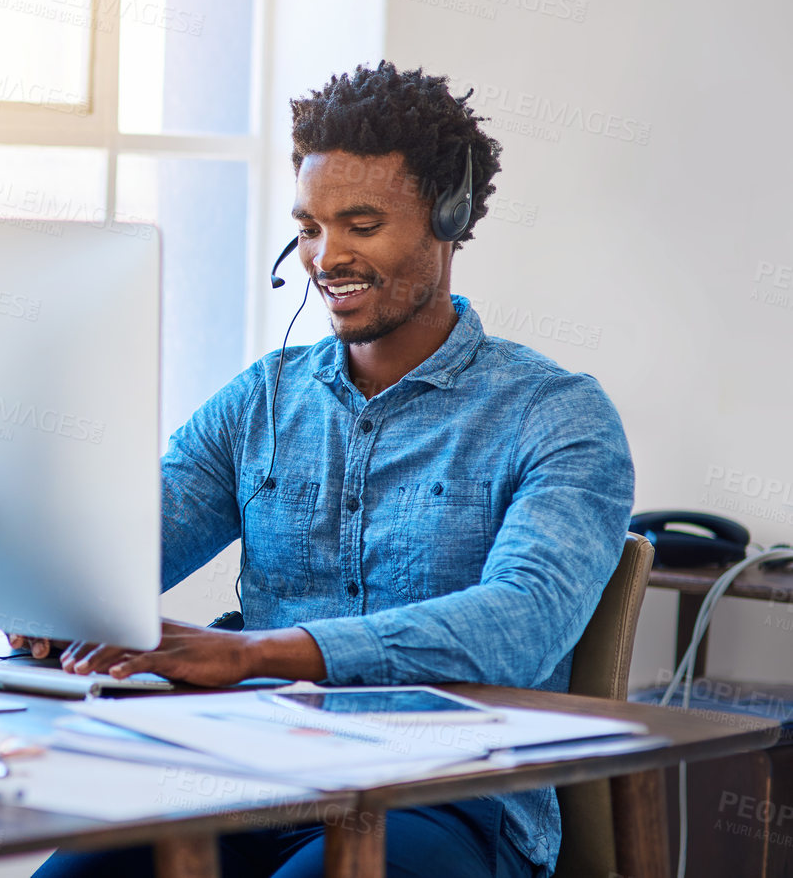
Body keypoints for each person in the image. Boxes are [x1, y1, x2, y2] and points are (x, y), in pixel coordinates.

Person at [34, 63, 634, 878]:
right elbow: (130, 546)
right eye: (309, 226)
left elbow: (516, 623)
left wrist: (259, 653)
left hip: (445, 794)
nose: (326, 256)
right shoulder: (262, 401)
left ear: (447, 218)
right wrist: (48, 594)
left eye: (360, 223)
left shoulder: (555, 415)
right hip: (240, 773)